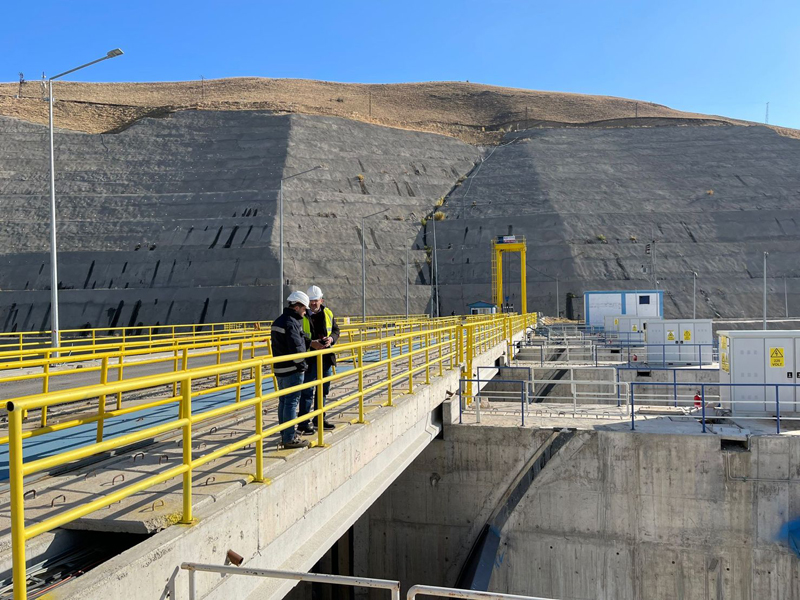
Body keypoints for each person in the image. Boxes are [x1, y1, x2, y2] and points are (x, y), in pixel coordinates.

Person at [270, 291, 311, 449]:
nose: (305, 312)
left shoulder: (279, 321)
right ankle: (289, 437)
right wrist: (303, 366)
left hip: (280, 369)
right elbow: (297, 349)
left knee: (283, 401)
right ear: (297, 306)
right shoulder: (292, 322)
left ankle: (284, 433)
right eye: (304, 308)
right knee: (291, 403)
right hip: (292, 370)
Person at [297, 285, 340, 434]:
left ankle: (319, 419)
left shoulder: (328, 313)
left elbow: (336, 330)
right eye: (311, 301)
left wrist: (331, 340)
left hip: (326, 358)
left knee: (323, 390)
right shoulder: (301, 315)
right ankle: (303, 422)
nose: (313, 303)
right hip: (309, 358)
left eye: (316, 300)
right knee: (307, 391)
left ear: (321, 300)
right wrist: (312, 343)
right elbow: (298, 336)